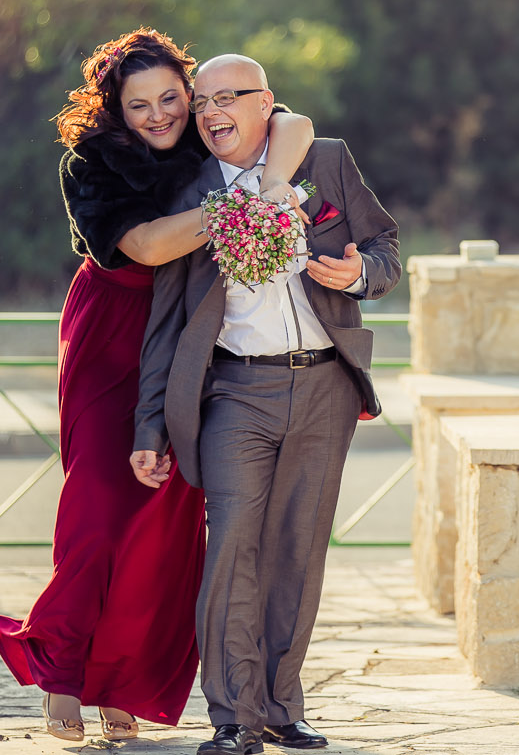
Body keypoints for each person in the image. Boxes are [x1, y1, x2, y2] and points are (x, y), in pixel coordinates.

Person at [0, 30, 315, 742]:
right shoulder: (91, 163)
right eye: (142, 106)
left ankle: (120, 684)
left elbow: (293, 123)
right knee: (100, 509)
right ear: (116, 108)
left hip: (197, 331)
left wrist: (257, 181)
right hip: (113, 332)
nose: (162, 115)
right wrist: (249, 202)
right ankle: (62, 671)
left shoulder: (207, 137)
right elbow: (145, 247)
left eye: (173, 98)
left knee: (162, 523)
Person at [130, 54, 400, 755]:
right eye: (201, 103)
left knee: (297, 552)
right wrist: (150, 424)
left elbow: (385, 244)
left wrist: (362, 272)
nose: (211, 112)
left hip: (324, 387)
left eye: (227, 98)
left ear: (265, 105)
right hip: (234, 392)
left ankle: (282, 706)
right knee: (233, 552)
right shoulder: (188, 192)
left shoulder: (325, 161)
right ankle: (232, 717)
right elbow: (166, 323)